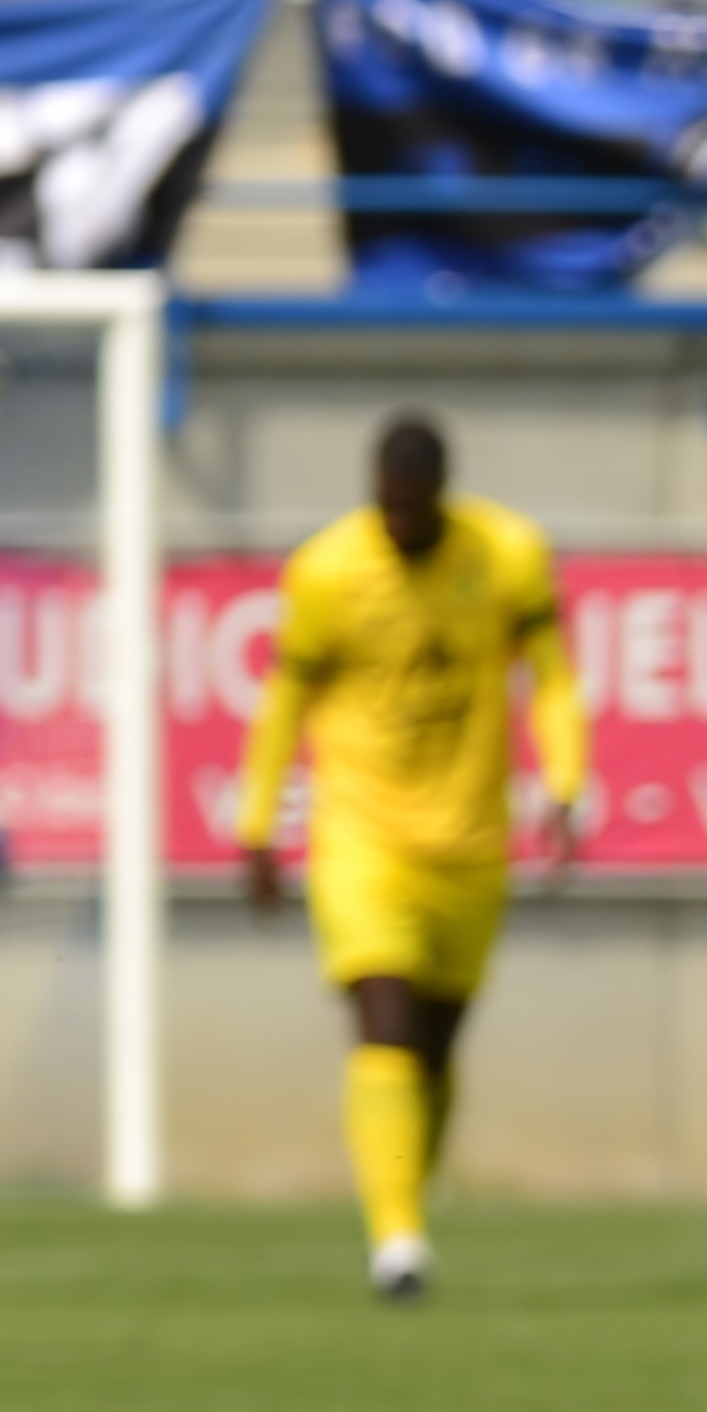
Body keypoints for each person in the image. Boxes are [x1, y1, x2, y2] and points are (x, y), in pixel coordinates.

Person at [235, 415, 583, 1304]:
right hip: (362, 839)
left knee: (434, 1049)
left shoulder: (506, 554)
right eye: (384, 506)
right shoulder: (327, 571)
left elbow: (549, 676)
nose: (396, 522)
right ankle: (396, 1243)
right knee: (383, 1027)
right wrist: (256, 826)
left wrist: (566, 785)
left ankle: (406, 1205)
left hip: (470, 845)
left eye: (411, 508)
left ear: (438, 496)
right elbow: (284, 702)